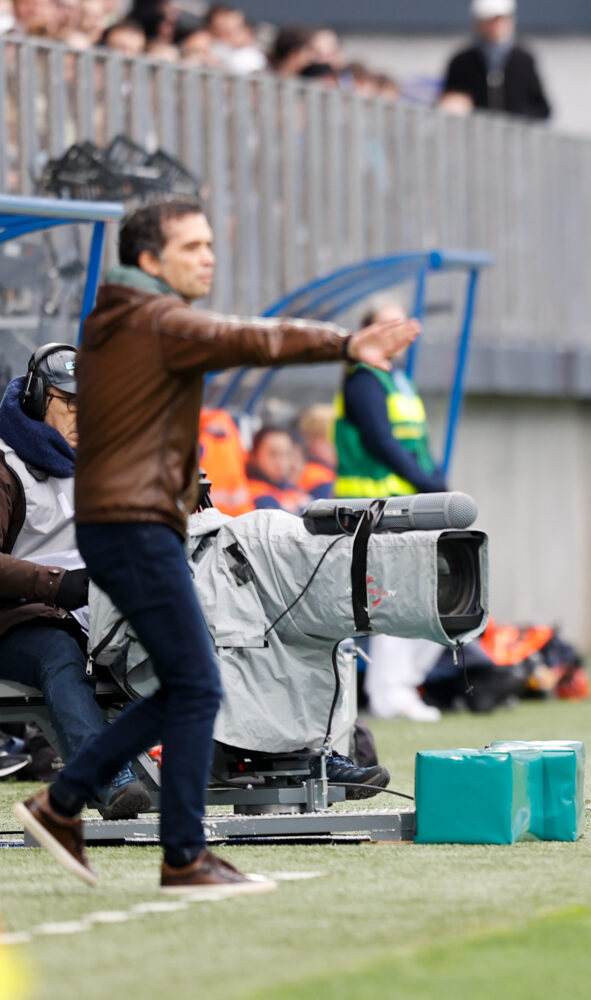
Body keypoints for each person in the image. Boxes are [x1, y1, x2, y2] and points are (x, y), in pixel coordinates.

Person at [11, 197, 417, 897]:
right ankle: (167, 850)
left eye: (209, 244)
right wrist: (347, 345)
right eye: (191, 246)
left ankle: (71, 806)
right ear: (149, 260)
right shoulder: (155, 318)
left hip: (135, 527)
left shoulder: (125, 319)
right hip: (136, 531)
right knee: (198, 684)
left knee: (189, 686)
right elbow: (252, 339)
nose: (209, 256)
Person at [0, 344, 147, 819]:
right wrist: (57, 584)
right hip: (17, 619)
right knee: (59, 655)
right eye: (70, 403)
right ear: (38, 398)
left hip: (96, 612)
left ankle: (296, 757)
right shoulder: (5, 466)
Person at [334, 301, 446, 722]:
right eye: (385, 325)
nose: (396, 332)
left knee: (432, 595)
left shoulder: (396, 380)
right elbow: (382, 442)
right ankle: (389, 693)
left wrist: (436, 485)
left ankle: (400, 685)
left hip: (406, 507)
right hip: (372, 511)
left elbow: (414, 441)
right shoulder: (364, 381)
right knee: (395, 599)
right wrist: (428, 484)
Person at [440, 0, 550, 121]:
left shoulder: (523, 60)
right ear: (478, 23)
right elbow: (447, 103)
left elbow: (542, 109)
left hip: (514, 137)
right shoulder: (461, 62)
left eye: (501, 19)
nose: (496, 26)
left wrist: (518, 121)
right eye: (490, 20)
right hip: (474, 135)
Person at [244, 425, 311, 513]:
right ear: (254, 455)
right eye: (273, 454)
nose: (281, 462)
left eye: (287, 454)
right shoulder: (257, 494)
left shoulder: (291, 488)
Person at [294, 403, 336, 500]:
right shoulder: (318, 477)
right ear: (315, 440)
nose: (335, 446)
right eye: (330, 440)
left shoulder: (312, 471)